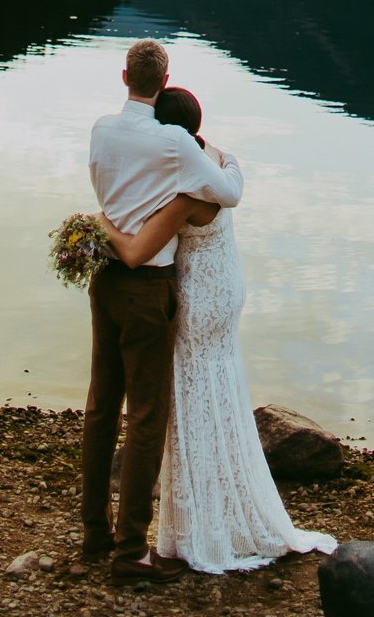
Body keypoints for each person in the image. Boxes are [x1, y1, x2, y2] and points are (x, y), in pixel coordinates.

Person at [100, 84, 338, 576]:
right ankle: (224, 505)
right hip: (226, 287)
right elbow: (234, 173)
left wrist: (100, 222)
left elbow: (136, 251)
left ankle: (199, 526)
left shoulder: (184, 194)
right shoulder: (213, 159)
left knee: (189, 401)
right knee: (219, 389)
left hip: (196, 297)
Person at [83, 39, 245, 586]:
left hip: (103, 280)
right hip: (149, 288)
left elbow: (107, 197)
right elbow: (227, 192)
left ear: (123, 74)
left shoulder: (102, 129)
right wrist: (222, 162)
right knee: (147, 416)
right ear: (164, 75)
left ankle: (94, 533)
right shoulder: (175, 142)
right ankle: (131, 552)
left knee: (102, 407)